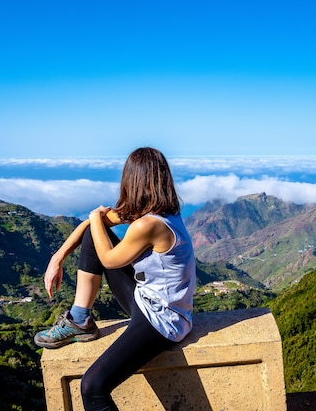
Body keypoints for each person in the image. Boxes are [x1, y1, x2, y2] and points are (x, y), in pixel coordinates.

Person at [34, 147, 196, 411]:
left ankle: (79, 321)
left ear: (131, 180)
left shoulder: (150, 224)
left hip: (163, 321)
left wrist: (95, 217)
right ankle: (79, 319)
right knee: (95, 234)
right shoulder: (157, 212)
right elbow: (91, 228)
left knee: (92, 387)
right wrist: (58, 256)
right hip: (147, 301)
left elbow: (108, 259)